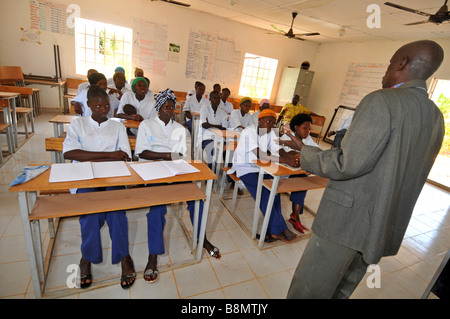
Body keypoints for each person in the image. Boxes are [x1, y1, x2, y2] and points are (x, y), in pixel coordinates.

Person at [282, 40, 445, 299]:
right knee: (340, 291)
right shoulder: (436, 117)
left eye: (390, 62)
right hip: (381, 225)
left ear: (401, 62)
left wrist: (304, 151)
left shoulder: (382, 100)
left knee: (309, 291)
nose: (385, 70)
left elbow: (347, 163)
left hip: (348, 221)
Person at [135, 89, 221, 283]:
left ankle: (202, 238)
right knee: (157, 210)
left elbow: (183, 154)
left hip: (175, 170)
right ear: (158, 108)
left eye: (172, 108)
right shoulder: (146, 125)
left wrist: (177, 161)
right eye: (165, 107)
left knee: (196, 200)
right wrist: (166, 155)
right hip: (154, 172)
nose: (169, 111)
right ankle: (153, 254)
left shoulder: (181, 129)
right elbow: (141, 152)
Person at [63, 86, 136, 290]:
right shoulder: (78, 124)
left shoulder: (118, 127)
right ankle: (87, 257)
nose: (103, 109)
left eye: (106, 105)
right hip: (85, 176)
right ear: (88, 105)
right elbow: (70, 153)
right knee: (90, 214)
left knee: (116, 213)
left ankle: (123, 255)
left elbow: (125, 155)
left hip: (112, 176)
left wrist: (105, 156)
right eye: (97, 105)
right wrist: (109, 155)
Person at [230, 109, 300, 243]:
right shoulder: (248, 132)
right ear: (259, 121)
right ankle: (279, 229)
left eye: (273, 123)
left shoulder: (270, 132)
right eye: (268, 121)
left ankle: (274, 230)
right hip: (245, 168)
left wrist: (290, 157)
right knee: (264, 192)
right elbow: (260, 155)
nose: (270, 125)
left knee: (274, 191)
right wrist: (286, 160)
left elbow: (276, 149)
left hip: (260, 167)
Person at [279, 113, 319, 234]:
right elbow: (292, 156)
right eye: (304, 128)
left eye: (309, 128)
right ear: (295, 127)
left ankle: (295, 215)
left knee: (303, 178)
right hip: (280, 174)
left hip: (296, 173)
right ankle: (295, 216)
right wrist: (305, 155)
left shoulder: (307, 139)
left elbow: (316, 152)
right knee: (302, 178)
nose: (308, 131)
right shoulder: (286, 139)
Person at [198, 90, 228, 166]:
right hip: (206, 137)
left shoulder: (223, 113)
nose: (216, 100)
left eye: (218, 98)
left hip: (219, 138)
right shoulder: (205, 109)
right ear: (210, 99)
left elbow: (224, 129)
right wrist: (218, 126)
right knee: (212, 151)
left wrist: (210, 125)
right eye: (214, 98)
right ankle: (211, 175)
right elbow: (204, 125)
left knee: (229, 151)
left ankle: (227, 174)